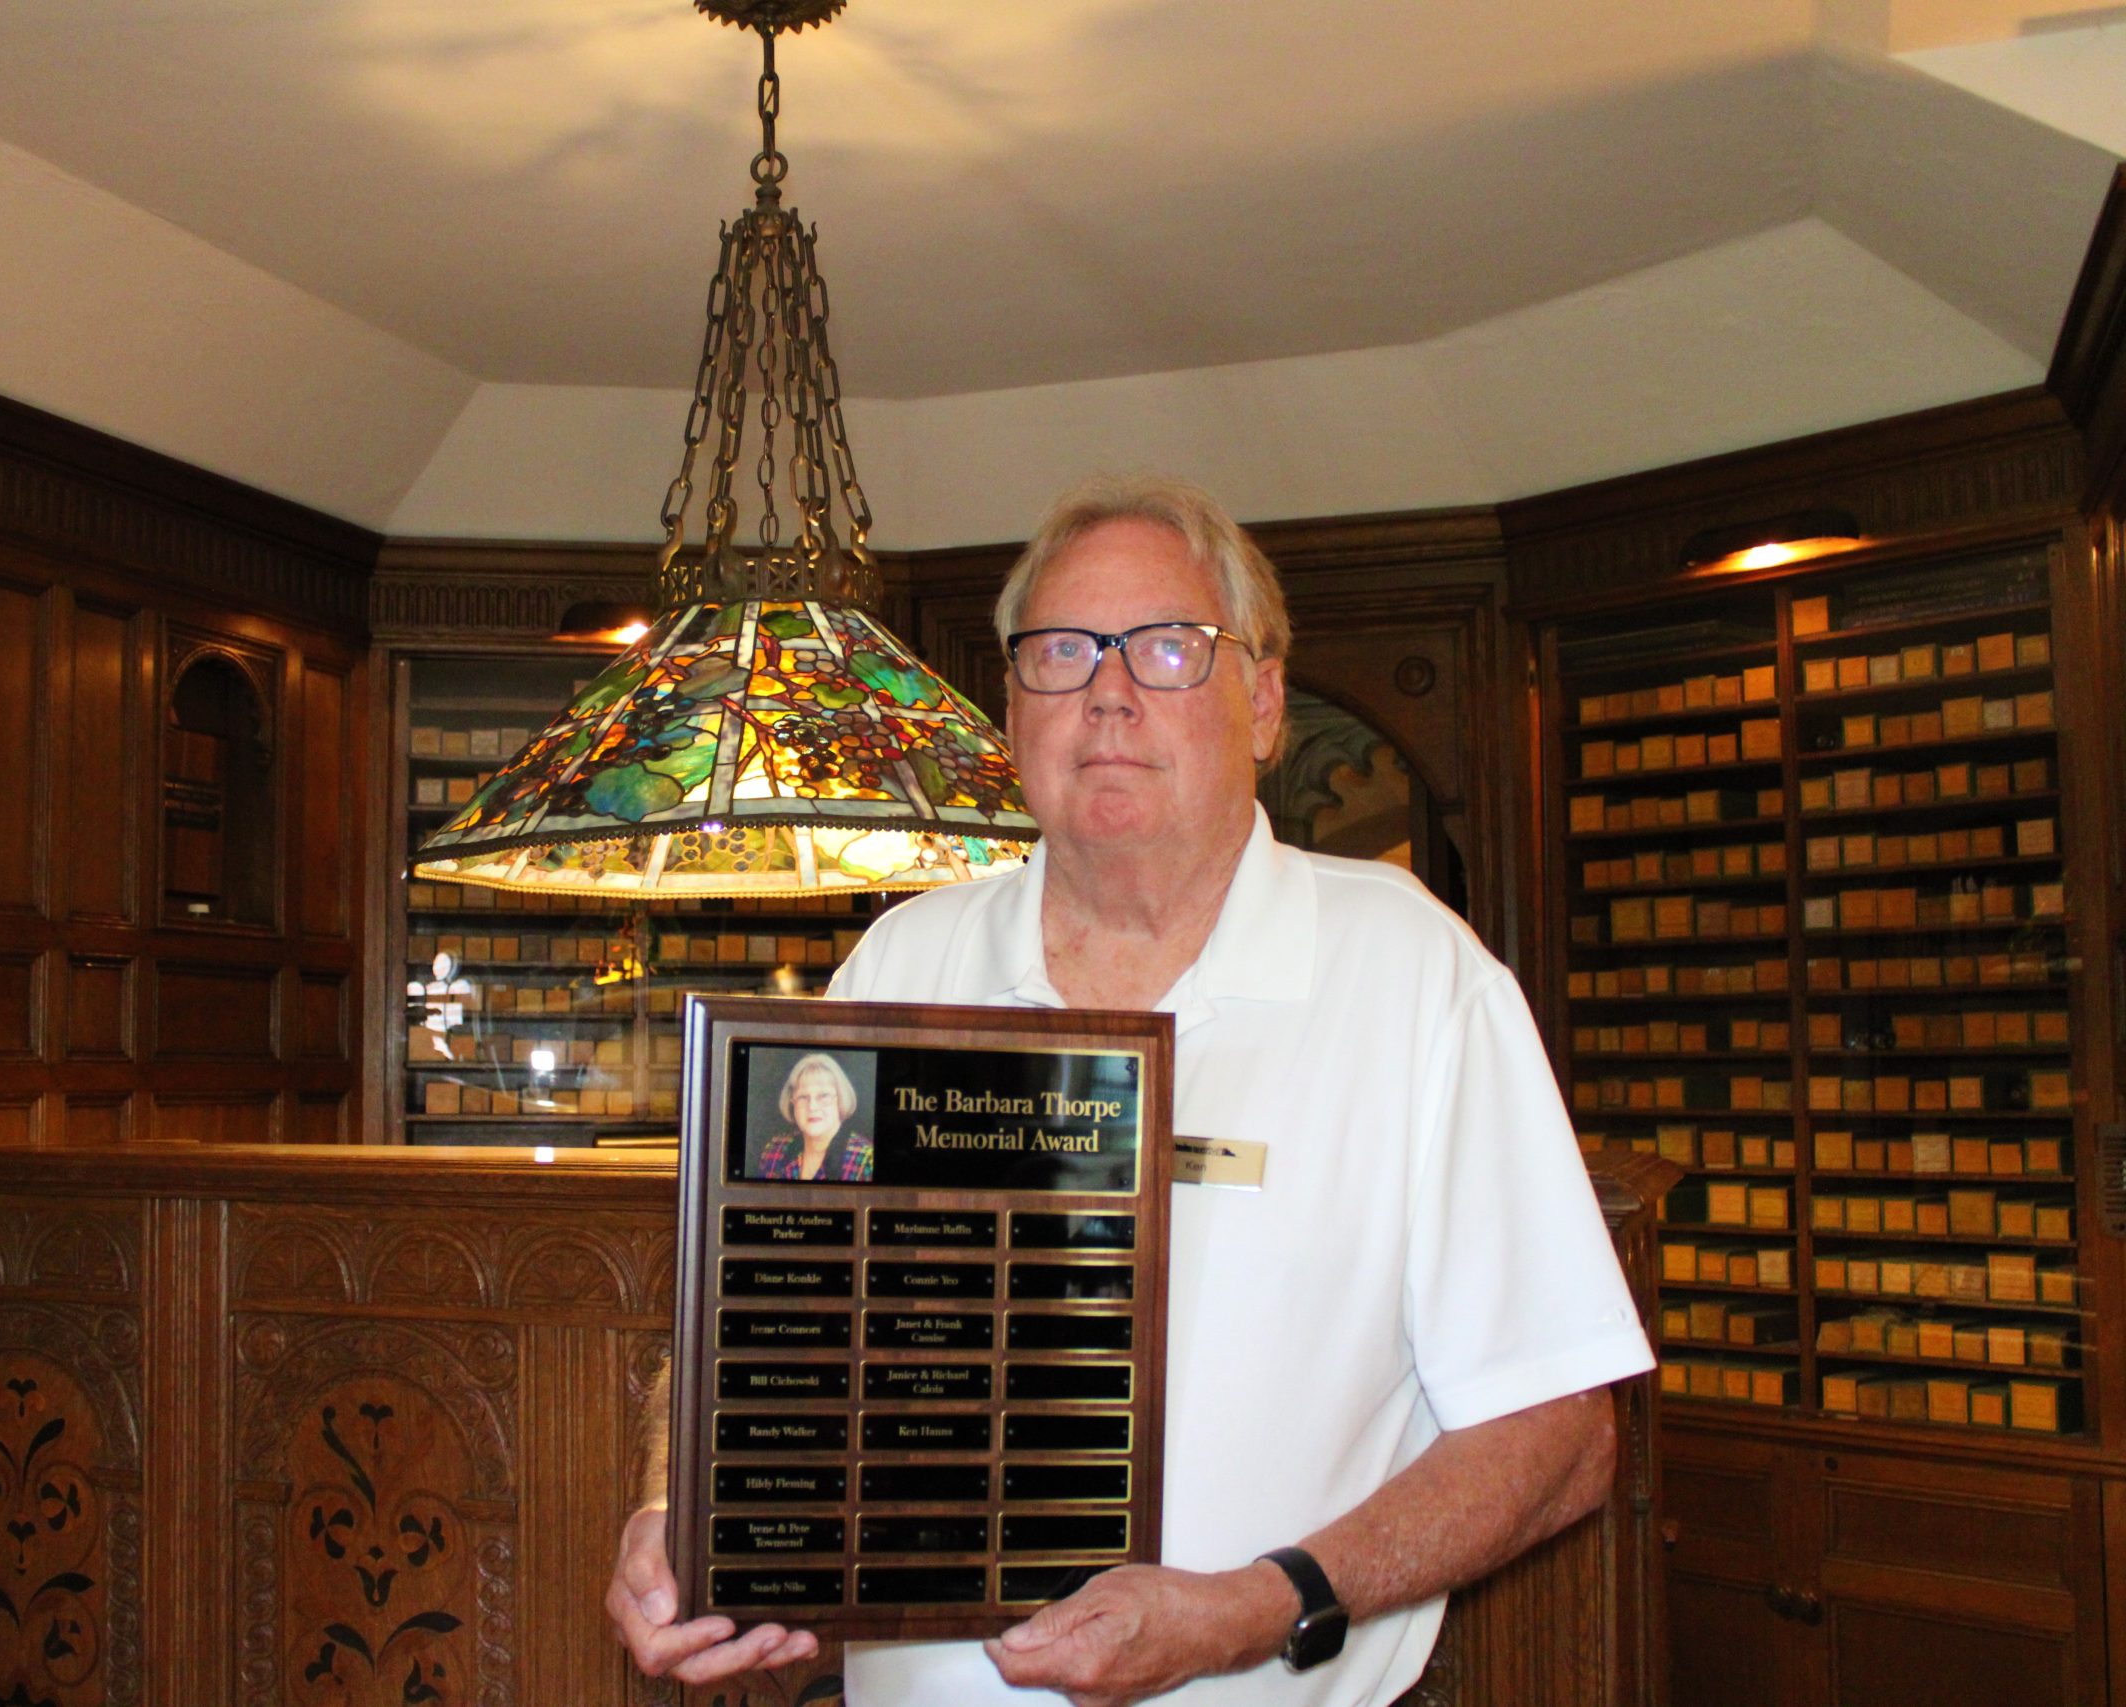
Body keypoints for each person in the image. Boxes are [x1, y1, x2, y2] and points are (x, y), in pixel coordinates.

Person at [607, 473, 1655, 1705]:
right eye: (1059, 651)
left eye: (1165, 648)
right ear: (1012, 706)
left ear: (1262, 702)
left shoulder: (1415, 975)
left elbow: (1559, 1434)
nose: (1106, 694)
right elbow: (745, 1317)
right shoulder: (906, 959)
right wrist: (684, 1507)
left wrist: (1260, 1606)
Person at [747, 1051, 874, 1181]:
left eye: (824, 1096)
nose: (812, 1107)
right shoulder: (775, 1150)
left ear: (841, 1099)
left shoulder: (866, 1159)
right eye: (803, 1097)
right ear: (792, 1102)